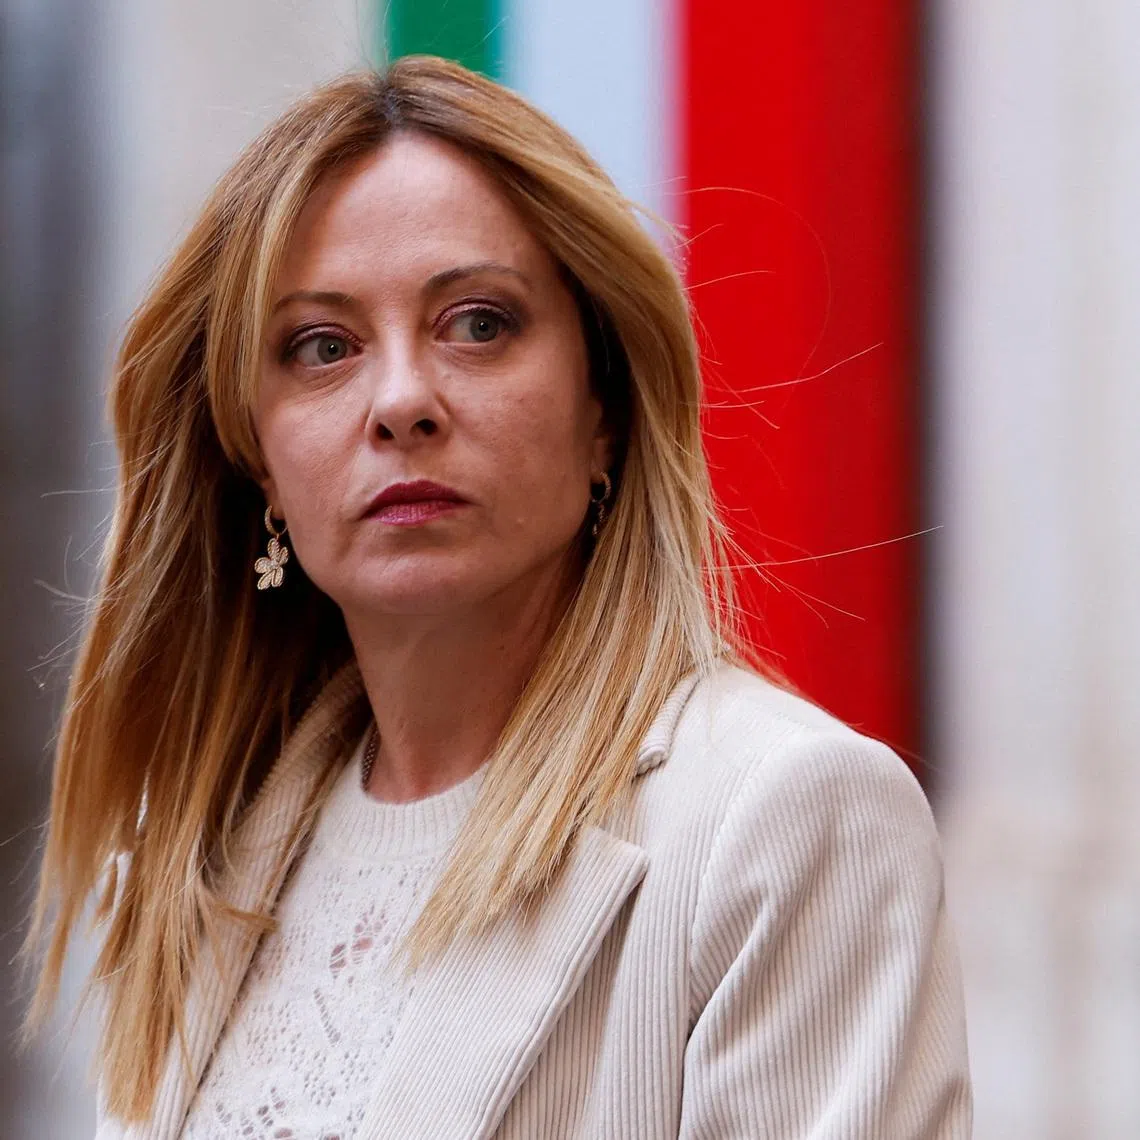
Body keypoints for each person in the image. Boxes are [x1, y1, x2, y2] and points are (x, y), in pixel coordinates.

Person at [26, 56, 971, 1139]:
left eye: (477, 323)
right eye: (321, 347)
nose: (401, 401)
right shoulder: (196, 858)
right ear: (255, 459)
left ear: (603, 405)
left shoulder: (786, 820)